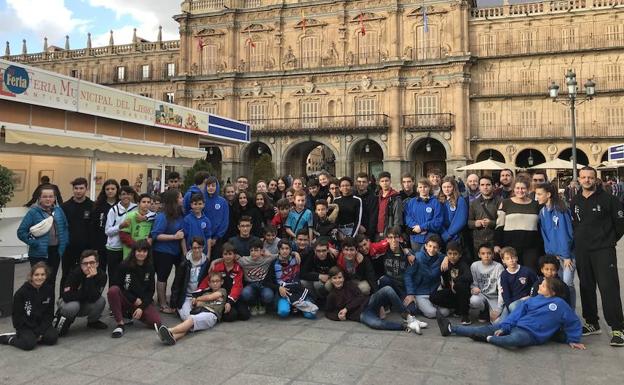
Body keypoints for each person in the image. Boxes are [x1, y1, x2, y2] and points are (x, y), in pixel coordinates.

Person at [437, 277, 585, 350]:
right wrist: (504, 327)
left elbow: (573, 321)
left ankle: (488, 339)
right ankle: (451, 329)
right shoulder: (532, 300)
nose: (539, 285)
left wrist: (573, 338)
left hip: (530, 334)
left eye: (543, 285)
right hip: (515, 325)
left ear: (552, 292)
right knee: (482, 329)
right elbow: (516, 314)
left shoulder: (560, 305)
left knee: (514, 341)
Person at [570, 167, 624, 346]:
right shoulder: (575, 200)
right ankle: (592, 322)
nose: (587, 180)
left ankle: (618, 328)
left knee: (609, 288)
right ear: (579, 179)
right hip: (582, 250)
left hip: (603, 251)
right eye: (584, 177)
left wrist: (608, 240)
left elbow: (620, 225)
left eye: (590, 177)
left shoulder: (610, 199)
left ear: (596, 179)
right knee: (586, 286)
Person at [325, 267, 422, 334]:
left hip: (369, 302)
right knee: (376, 324)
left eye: (340, 277)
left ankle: (408, 317)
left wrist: (346, 308)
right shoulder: (331, 295)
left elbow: (361, 297)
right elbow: (328, 312)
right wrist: (338, 316)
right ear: (331, 280)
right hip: (361, 315)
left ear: (343, 278)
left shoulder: (350, 285)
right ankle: (405, 326)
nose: (338, 280)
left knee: (387, 289)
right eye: (334, 278)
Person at [17, 184, 69, 293]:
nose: (48, 199)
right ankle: (36, 309)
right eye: (45, 196)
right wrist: (34, 243)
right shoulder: (33, 212)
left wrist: (64, 243)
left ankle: (49, 309)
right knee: (38, 282)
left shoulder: (59, 211)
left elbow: (65, 227)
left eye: (50, 196)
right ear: (39, 198)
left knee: (51, 281)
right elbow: (21, 232)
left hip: (55, 252)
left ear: (54, 198)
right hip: (38, 254)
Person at [107, 240, 161, 338]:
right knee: (113, 291)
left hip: (141, 301)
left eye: (144, 251)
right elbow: (117, 285)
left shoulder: (150, 267)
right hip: (126, 297)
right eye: (138, 251)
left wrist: (141, 307)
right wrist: (133, 299)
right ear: (134, 252)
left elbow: (151, 291)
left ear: (148, 253)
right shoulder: (124, 265)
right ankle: (120, 324)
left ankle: (131, 313)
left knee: (156, 322)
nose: (141, 254)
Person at [535, 182, 576, 307]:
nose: (536, 197)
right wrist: (551, 255)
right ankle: (559, 311)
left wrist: (567, 255)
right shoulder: (542, 211)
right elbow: (546, 235)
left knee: (567, 284)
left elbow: (565, 234)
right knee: (557, 285)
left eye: (539, 194)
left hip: (567, 255)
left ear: (548, 194)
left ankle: (570, 311)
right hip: (554, 255)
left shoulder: (560, 209)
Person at [158, 271, 226, 345]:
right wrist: (196, 301)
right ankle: (173, 337)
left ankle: (170, 330)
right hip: (201, 312)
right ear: (209, 283)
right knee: (188, 326)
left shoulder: (222, 291)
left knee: (191, 320)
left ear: (222, 282)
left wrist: (198, 298)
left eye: (217, 281)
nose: (215, 283)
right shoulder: (206, 293)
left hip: (211, 315)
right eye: (213, 281)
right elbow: (198, 304)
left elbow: (211, 297)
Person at [0, 262, 57, 350]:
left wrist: (40, 331)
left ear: (46, 276)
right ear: (31, 276)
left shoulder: (49, 290)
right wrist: (35, 332)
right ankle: (9, 339)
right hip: (26, 326)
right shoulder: (21, 293)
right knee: (29, 344)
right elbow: (17, 318)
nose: (39, 277)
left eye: (42, 274)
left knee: (52, 338)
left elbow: (49, 314)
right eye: (36, 275)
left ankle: (33, 338)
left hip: (41, 324)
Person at [54, 250, 108, 336]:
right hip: (68, 303)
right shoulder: (74, 273)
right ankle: (63, 320)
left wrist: (89, 278)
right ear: (81, 265)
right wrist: (85, 293)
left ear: (97, 264)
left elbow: (94, 297)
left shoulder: (102, 275)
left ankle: (92, 321)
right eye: (85, 263)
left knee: (101, 301)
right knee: (73, 306)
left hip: (84, 302)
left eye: (92, 262)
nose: (89, 266)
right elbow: (66, 296)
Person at [495, 178, 543, 273]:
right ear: (514, 189)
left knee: (530, 272)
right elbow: (499, 225)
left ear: (528, 189)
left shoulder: (536, 204)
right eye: (517, 188)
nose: (520, 191)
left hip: (531, 246)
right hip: (510, 245)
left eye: (523, 188)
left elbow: (540, 226)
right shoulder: (505, 203)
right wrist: (497, 244)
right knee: (512, 273)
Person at [263, 240, 318, 319]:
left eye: (287, 248)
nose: (284, 251)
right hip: (284, 293)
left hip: (298, 290)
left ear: (290, 250)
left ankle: (298, 307)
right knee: (283, 312)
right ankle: (295, 307)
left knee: (311, 314)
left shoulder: (296, 259)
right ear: (279, 250)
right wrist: (278, 288)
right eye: (282, 249)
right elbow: (266, 282)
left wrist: (295, 253)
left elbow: (311, 251)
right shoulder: (274, 263)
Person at [150, 189, 185, 314]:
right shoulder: (163, 216)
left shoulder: (180, 214)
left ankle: (167, 299)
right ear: (174, 200)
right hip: (162, 251)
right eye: (180, 197)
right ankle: (163, 304)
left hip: (175, 251)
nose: (183, 199)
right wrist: (173, 237)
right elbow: (155, 235)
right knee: (162, 277)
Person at [60, 177, 94, 289]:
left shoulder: (93, 206)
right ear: (73, 189)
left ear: (86, 189)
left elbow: (94, 228)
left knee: (86, 274)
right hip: (68, 248)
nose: (78, 191)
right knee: (66, 275)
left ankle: (83, 301)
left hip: (86, 249)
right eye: (76, 188)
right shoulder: (64, 206)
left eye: (81, 188)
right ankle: (62, 301)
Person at [403, 234, 446, 319]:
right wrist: (411, 293)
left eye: (435, 247)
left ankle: (429, 307)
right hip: (420, 293)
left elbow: (450, 256)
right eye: (429, 246)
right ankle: (419, 306)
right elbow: (408, 275)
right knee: (432, 313)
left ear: (439, 249)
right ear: (425, 246)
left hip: (435, 292)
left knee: (445, 311)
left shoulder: (441, 258)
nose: (432, 249)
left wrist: (447, 258)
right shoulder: (418, 257)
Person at [430, 241, 472, 325]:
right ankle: (458, 307)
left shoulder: (463, 263)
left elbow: (469, 277)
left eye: (455, 254)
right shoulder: (446, 263)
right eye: (450, 253)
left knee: (459, 285)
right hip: (451, 291)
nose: (452, 256)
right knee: (433, 297)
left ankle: (465, 315)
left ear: (460, 255)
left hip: (463, 292)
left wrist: (455, 281)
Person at [104, 186, 138, 283]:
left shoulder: (136, 208)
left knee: (128, 277)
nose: (126, 196)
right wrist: (120, 226)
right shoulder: (113, 210)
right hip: (115, 248)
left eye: (129, 194)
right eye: (123, 194)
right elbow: (107, 231)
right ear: (119, 196)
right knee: (114, 277)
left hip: (130, 248)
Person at [210, 243, 250, 322]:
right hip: (220, 296)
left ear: (234, 255)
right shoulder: (217, 267)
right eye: (225, 254)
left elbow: (237, 286)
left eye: (230, 254)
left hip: (234, 297)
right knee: (231, 316)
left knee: (245, 315)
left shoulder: (238, 268)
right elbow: (208, 281)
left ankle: (232, 308)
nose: (227, 256)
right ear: (222, 255)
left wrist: (229, 302)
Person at [498, 247, 538, 322]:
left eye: (513, 257)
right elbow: (505, 295)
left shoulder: (527, 271)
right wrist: (509, 306)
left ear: (516, 258)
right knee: (500, 324)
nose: (511, 260)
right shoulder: (504, 275)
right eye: (507, 258)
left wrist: (531, 297)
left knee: (512, 318)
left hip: (526, 301)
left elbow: (537, 285)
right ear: (503, 261)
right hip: (512, 303)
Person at [404, 178, 443, 251]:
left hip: (431, 239)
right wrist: (417, 228)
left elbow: (438, 221)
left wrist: (422, 227)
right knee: (417, 260)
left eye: (425, 187)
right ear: (417, 189)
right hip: (416, 238)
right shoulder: (411, 202)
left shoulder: (435, 202)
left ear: (429, 188)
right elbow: (407, 217)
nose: (423, 189)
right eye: (420, 187)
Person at [468, 176, 501, 259]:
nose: (485, 187)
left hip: (494, 240)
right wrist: (475, 223)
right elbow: (468, 222)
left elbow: (503, 222)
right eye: (482, 185)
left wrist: (491, 223)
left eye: (488, 184)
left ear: (493, 186)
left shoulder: (500, 201)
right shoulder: (474, 203)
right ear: (479, 187)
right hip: (478, 242)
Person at [91, 179, 120, 277]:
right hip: (101, 244)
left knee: (115, 273)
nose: (110, 191)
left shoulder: (121, 205)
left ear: (117, 190)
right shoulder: (98, 205)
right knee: (100, 273)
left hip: (116, 244)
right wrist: (94, 247)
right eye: (107, 189)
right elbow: (94, 227)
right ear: (104, 190)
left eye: (113, 188)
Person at [470, 243, 504, 323]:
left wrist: (499, 309)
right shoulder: (475, 265)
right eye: (483, 253)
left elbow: (501, 288)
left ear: (493, 254)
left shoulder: (498, 267)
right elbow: (473, 284)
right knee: (474, 300)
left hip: (494, 297)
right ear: (479, 255)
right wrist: (473, 289)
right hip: (481, 294)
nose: (486, 256)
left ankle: (490, 313)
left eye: (489, 253)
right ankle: (484, 311)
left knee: (497, 322)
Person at [204, 176, 229, 260]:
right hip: (203, 237)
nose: (211, 188)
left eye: (213, 185)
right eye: (208, 186)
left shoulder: (222, 202)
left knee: (215, 262)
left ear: (217, 186)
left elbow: (224, 221)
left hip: (217, 239)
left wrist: (216, 238)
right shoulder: (202, 201)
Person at [438, 176, 468, 245]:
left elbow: (461, 220)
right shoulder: (439, 201)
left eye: (449, 187)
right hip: (441, 235)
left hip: (455, 236)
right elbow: (437, 218)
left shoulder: (460, 200)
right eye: (444, 187)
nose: (446, 189)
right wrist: (443, 233)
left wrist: (449, 234)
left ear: (454, 187)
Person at [375, 171, 402, 242]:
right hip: (377, 232)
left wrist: (395, 233)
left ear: (390, 181)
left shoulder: (395, 197)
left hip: (389, 231)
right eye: (382, 181)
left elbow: (397, 218)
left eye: (386, 181)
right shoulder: (377, 196)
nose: (384, 183)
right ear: (379, 183)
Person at [355, 172, 378, 239]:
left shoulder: (373, 198)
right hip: (354, 230)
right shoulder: (353, 196)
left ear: (368, 183)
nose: (361, 184)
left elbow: (373, 217)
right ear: (356, 182)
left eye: (364, 182)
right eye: (359, 181)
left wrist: (369, 233)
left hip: (367, 232)